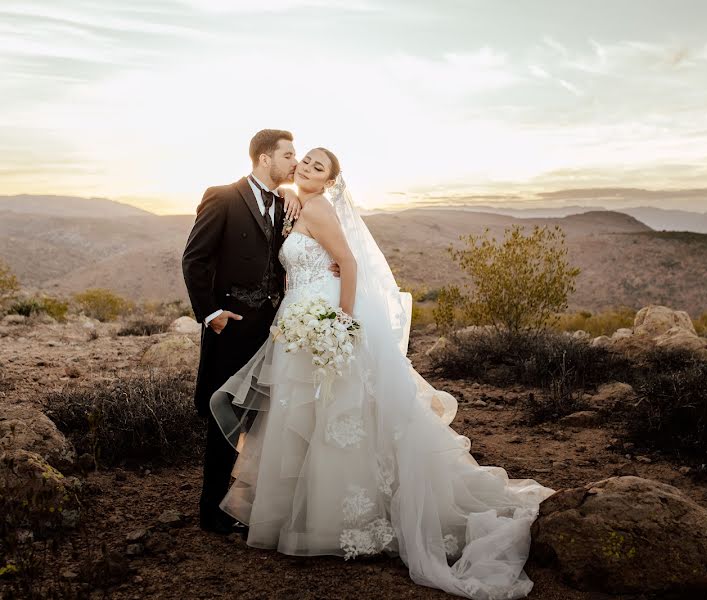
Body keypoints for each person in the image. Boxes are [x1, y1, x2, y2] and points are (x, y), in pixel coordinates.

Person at [209, 147, 555, 599]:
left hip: (323, 319)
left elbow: (348, 263)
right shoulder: (295, 203)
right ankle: (303, 510)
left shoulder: (319, 207)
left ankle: (341, 519)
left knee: (338, 414)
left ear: (330, 181)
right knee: (303, 415)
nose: (307, 167)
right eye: (304, 160)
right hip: (296, 321)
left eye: (318, 166)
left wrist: (342, 321)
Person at [182, 129, 313, 534]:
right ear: (264, 158)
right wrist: (212, 313)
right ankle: (212, 511)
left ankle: (247, 502)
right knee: (225, 414)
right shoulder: (221, 196)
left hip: (273, 328)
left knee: (263, 419)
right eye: (289, 155)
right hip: (232, 327)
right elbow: (195, 259)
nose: (296, 162)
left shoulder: (284, 202)